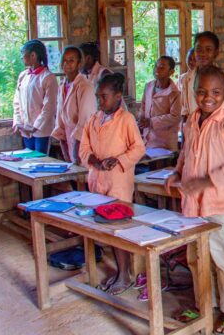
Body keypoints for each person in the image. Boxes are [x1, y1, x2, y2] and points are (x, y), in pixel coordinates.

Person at [165, 65, 224, 334]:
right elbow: (186, 152)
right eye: (201, 92)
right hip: (194, 203)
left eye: (215, 92)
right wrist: (177, 172)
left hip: (221, 203)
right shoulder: (191, 120)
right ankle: (206, 304)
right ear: (192, 92)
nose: (208, 97)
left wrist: (207, 180)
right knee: (197, 256)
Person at [79, 72, 146, 295]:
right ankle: (121, 272)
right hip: (97, 179)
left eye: (104, 97)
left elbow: (138, 149)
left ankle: (124, 274)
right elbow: (84, 149)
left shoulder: (126, 119)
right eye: (98, 97)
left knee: (119, 229)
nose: (100, 101)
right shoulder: (94, 119)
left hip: (118, 181)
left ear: (118, 97)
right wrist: (94, 160)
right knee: (105, 228)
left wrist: (118, 160)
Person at [51, 46, 96, 164]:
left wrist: (78, 147)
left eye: (71, 60)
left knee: (85, 175)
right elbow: (60, 117)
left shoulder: (85, 86)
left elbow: (86, 120)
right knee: (74, 177)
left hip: (82, 142)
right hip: (68, 141)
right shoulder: (63, 86)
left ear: (79, 63)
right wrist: (61, 140)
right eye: (64, 60)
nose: (66, 64)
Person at [13, 40, 58, 154]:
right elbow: (17, 102)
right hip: (25, 129)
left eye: (23, 54)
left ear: (33, 55)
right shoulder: (23, 76)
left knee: (40, 161)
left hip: (41, 131)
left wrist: (35, 127)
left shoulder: (48, 78)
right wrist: (18, 122)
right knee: (28, 162)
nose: (21, 58)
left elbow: (49, 106)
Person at [138, 56, 182, 152]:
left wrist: (151, 122)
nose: (157, 69)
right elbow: (143, 106)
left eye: (162, 67)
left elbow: (175, 117)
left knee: (163, 165)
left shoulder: (175, 93)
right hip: (148, 138)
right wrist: (141, 117)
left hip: (165, 142)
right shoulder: (148, 86)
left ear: (171, 72)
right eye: (156, 66)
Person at [192, 31, 224, 112]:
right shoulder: (187, 78)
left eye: (208, 49)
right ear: (194, 51)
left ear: (216, 53)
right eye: (199, 49)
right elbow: (185, 110)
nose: (203, 53)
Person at [179, 48, 197, 122]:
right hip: (186, 117)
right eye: (189, 59)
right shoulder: (182, 78)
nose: (191, 62)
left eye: (194, 59)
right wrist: (184, 113)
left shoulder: (202, 77)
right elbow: (181, 99)